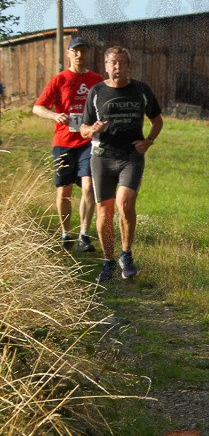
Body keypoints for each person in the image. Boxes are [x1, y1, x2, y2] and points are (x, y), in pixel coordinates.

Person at [80, 46, 163, 282]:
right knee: (104, 213)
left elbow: (157, 120)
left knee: (125, 204)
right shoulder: (96, 92)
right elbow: (84, 129)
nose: (117, 67)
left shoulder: (140, 90)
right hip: (103, 156)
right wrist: (92, 129)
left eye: (122, 63)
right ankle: (108, 262)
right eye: (113, 63)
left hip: (131, 156)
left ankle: (126, 255)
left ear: (129, 66)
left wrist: (149, 140)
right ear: (106, 66)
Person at [33, 36, 105, 252]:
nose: (79, 55)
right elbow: (37, 107)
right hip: (64, 142)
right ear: (68, 53)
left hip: (88, 141)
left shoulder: (97, 81)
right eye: (75, 51)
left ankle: (84, 235)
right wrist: (55, 116)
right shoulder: (59, 80)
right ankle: (66, 234)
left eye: (83, 50)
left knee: (88, 187)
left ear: (88, 53)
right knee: (64, 192)